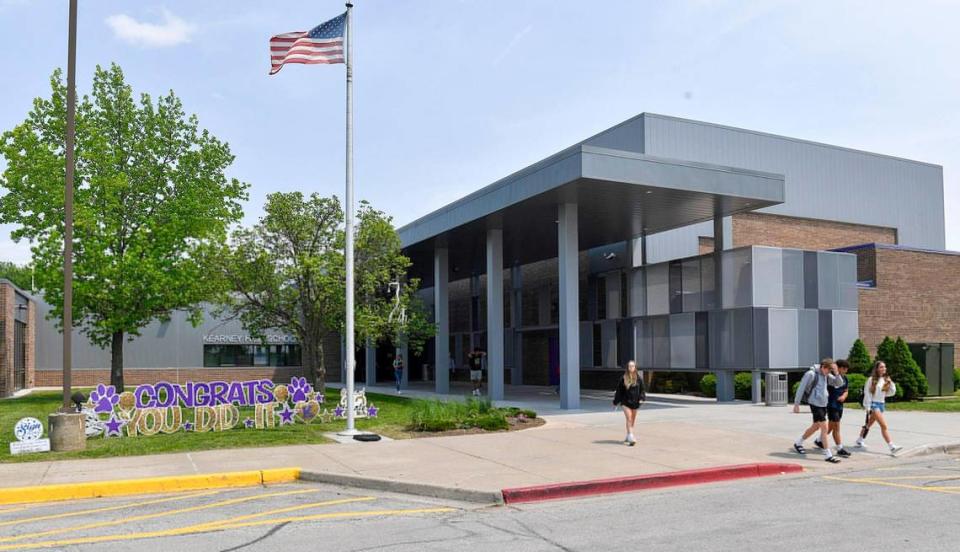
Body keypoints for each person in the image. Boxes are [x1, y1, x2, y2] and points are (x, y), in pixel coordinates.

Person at [792, 358, 845, 463]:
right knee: (824, 428)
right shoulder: (811, 374)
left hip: (823, 404)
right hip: (814, 403)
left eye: (830, 371)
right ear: (823, 367)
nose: (829, 373)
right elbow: (801, 388)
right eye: (828, 370)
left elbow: (838, 383)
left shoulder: (826, 375)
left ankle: (798, 443)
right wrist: (796, 404)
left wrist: (836, 372)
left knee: (815, 427)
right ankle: (828, 455)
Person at [856, 360, 902, 454]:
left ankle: (860, 440)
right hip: (874, 404)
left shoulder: (885, 379)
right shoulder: (871, 379)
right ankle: (891, 446)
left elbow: (890, 393)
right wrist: (868, 407)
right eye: (881, 367)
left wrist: (891, 383)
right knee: (883, 425)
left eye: (884, 367)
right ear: (876, 369)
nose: (884, 368)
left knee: (869, 424)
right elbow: (867, 393)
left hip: (881, 404)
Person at [815, 359, 851, 457]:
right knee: (836, 427)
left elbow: (846, 390)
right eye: (844, 368)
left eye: (847, 368)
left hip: (840, 406)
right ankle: (840, 448)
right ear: (837, 368)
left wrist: (844, 396)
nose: (846, 370)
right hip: (832, 405)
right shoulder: (830, 378)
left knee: (830, 427)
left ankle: (819, 441)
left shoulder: (845, 378)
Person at [612, 360, 645, 446]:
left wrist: (642, 398)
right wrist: (615, 402)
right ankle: (631, 437)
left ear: (635, 368)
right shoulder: (623, 378)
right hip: (625, 402)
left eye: (633, 366)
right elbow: (619, 391)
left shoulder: (639, 379)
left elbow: (642, 390)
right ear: (627, 368)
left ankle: (628, 435)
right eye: (630, 366)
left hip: (635, 402)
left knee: (632, 420)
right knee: (629, 418)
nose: (631, 367)